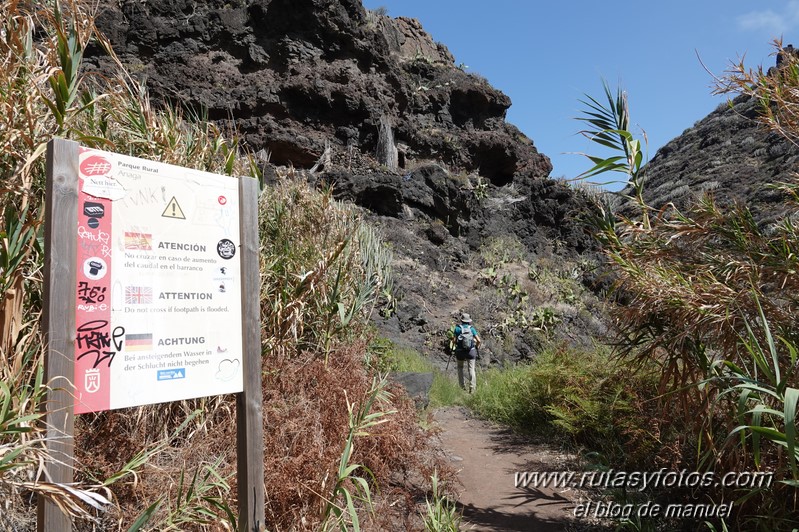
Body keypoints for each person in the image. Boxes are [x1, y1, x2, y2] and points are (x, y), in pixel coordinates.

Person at [449, 313, 481, 394]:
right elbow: (479, 340)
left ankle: (462, 387)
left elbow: (454, 341)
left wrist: (455, 342)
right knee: (471, 369)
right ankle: (472, 388)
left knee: (460, 368)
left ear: (462, 320)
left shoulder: (457, 329)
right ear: (469, 321)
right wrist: (476, 346)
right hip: (471, 351)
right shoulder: (472, 329)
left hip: (460, 351)